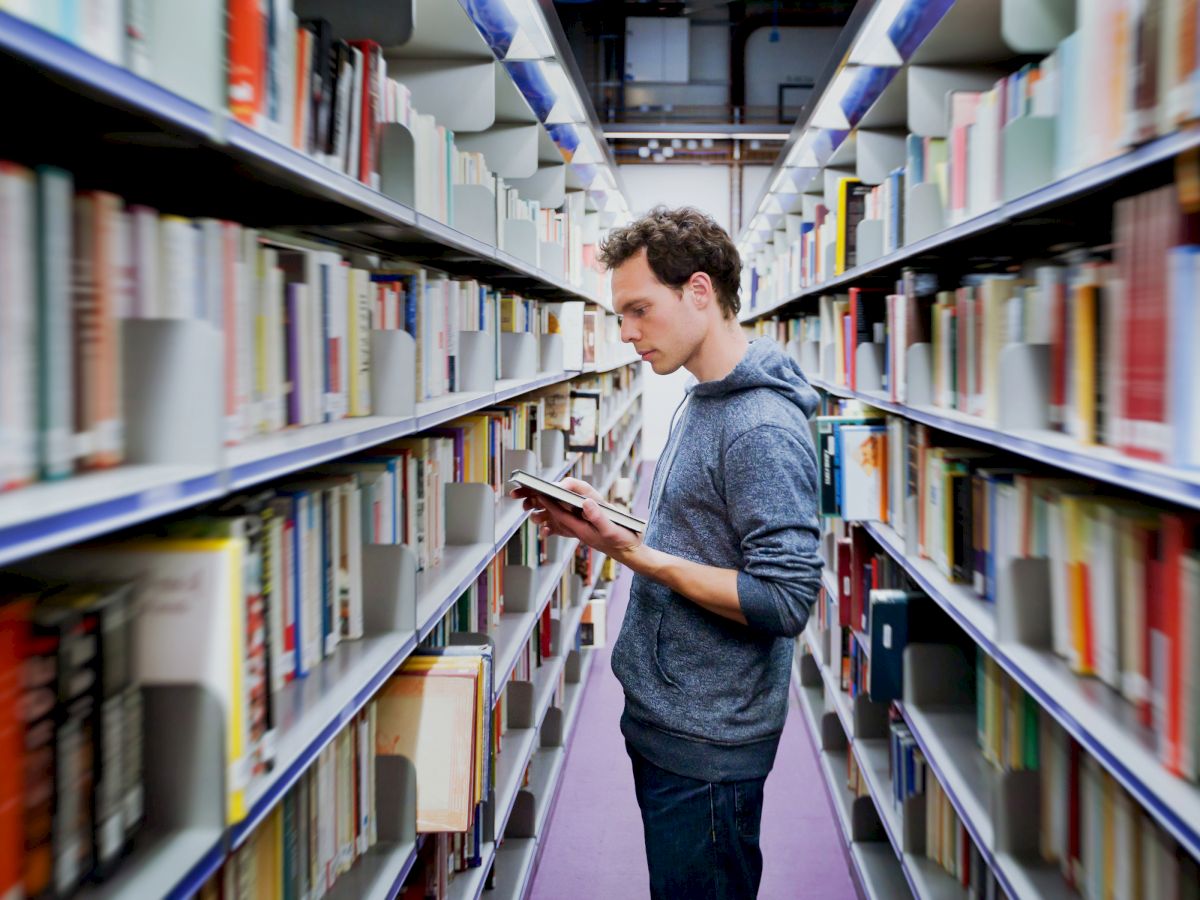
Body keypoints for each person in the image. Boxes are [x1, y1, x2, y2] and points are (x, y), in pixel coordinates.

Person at [511, 206, 823, 899]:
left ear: (700, 293)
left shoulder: (760, 427)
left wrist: (635, 554)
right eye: (620, 315)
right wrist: (610, 527)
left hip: (709, 741)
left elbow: (784, 600)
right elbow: (701, 535)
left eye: (639, 310)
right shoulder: (704, 397)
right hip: (672, 715)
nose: (625, 333)